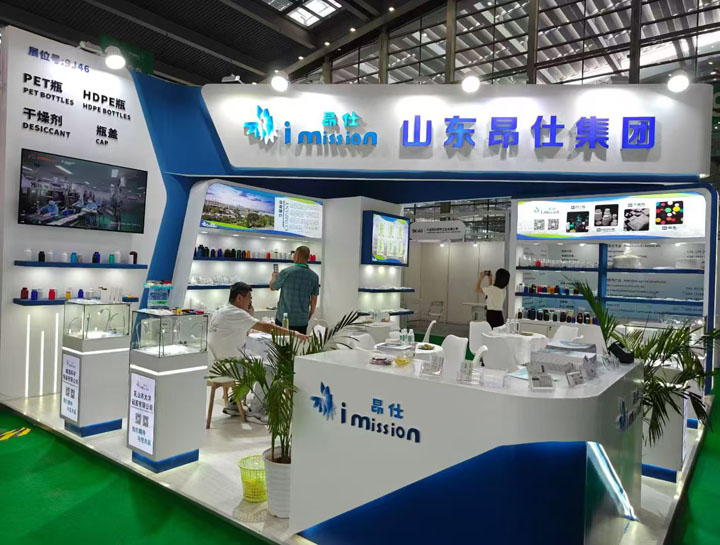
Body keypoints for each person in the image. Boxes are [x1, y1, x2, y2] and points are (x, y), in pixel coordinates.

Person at [208, 282, 308, 421]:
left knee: (254, 362)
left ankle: (234, 403)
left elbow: (244, 332)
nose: (250, 301)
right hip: (227, 366)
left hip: (217, 364)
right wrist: (293, 333)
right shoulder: (236, 313)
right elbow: (266, 327)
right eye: (249, 298)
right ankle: (256, 411)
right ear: (239, 298)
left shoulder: (221, 311)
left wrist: (250, 314)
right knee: (269, 369)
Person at [269, 245, 319, 334]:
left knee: (281, 342)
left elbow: (272, 287)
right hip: (302, 320)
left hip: (284, 319)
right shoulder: (314, 276)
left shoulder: (286, 272)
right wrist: (310, 314)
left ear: (297, 255)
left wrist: (274, 277)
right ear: (307, 257)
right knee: (299, 342)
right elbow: (314, 299)